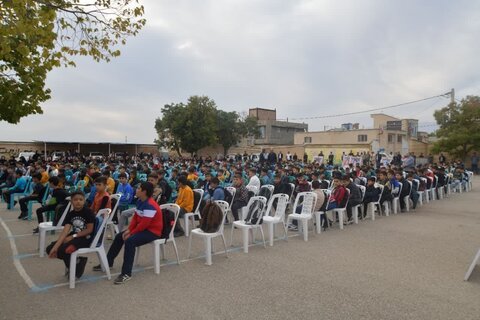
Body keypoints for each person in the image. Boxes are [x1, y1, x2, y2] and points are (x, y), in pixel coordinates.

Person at [93, 182, 163, 285]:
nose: (136, 190)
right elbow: (135, 218)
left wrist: (131, 233)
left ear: (144, 192)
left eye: (139, 188)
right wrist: (129, 230)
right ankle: (108, 262)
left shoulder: (150, 205)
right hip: (143, 229)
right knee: (119, 236)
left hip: (152, 232)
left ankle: (126, 273)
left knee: (130, 241)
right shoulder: (140, 201)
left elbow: (144, 224)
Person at [46, 191, 95, 279]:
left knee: (64, 250)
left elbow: (89, 230)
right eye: (75, 200)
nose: (78, 201)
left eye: (81, 199)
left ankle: (76, 268)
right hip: (74, 236)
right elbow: (65, 232)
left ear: (84, 201)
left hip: (86, 238)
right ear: (71, 201)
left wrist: (73, 236)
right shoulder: (71, 214)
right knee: (50, 248)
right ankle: (77, 262)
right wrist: (55, 247)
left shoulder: (88, 212)